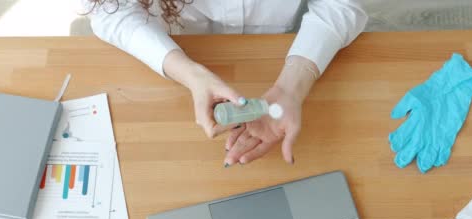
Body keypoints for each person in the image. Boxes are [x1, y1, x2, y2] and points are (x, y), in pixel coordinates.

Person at [83, 0, 368, 166]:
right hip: (176, 41)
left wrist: (291, 87)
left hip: (281, 44)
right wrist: (189, 73)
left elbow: (341, 5)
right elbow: (112, 12)